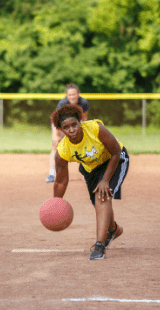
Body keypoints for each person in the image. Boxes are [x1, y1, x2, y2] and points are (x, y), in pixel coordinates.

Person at [51, 104, 128, 260]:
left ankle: (99, 246)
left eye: (74, 124)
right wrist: (55, 204)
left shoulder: (95, 128)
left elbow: (115, 152)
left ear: (81, 121)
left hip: (115, 160)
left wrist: (106, 180)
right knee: (99, 203)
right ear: (60, 129)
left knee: (102, 196)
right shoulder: (63, 151)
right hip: (91, 168)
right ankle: (113, 229)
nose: (71, 129)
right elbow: (60, 182)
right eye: (66, 127)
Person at [45, 83, 90, 182]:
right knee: (55, 143)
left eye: (74, 94)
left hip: (76, 123)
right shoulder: (62, 103)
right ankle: (51, 174)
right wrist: (56, 137)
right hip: (61, 124)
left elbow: (84, 118)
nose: (72, 97)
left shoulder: (84, 103)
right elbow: (57, 121)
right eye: (69, 95)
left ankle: (87, 171)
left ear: (78, 94)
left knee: (85, 143)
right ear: (66, 96)